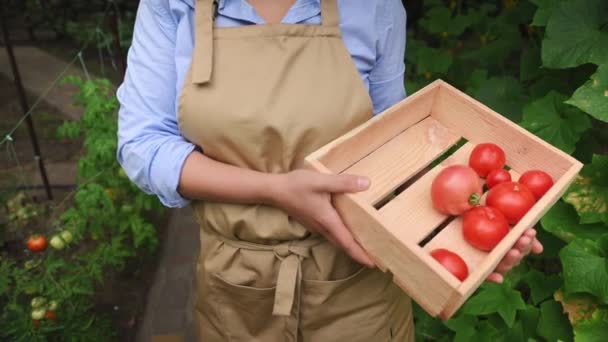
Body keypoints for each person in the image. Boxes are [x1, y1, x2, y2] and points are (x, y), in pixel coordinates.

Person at [116, 0, 543, 340]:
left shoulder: (373, 6)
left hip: (360, 281)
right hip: (236, 287)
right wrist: (273, 189)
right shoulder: (171, 6)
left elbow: (395, 150)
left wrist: (473, 227)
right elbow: (143, 145)